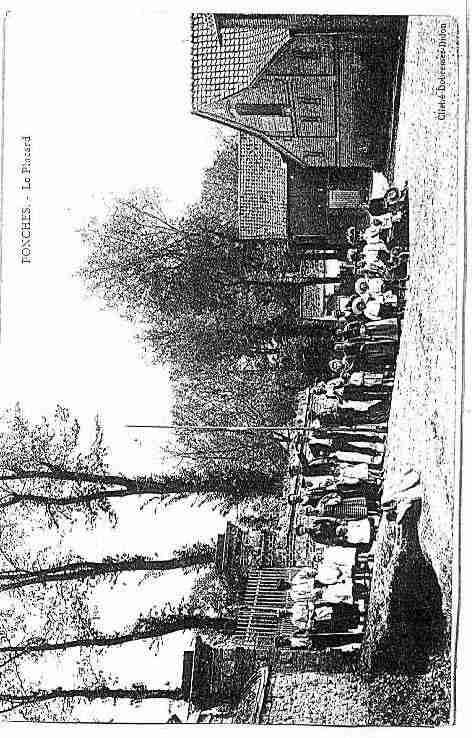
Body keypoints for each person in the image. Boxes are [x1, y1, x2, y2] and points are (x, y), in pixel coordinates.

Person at [295, 515, 377, 549]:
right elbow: (328, 541)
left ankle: (372, 528)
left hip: (338, 525)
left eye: (302, 529)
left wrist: (339, 522)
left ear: (303, 526)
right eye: (303, 532)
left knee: (355, 525)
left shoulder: (316, 522)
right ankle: (371, 536)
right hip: (339, 535)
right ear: (304, 534)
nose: (304, 530)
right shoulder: (315, 537)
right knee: (354, 536)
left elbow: (328, 519)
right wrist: (339, 538)